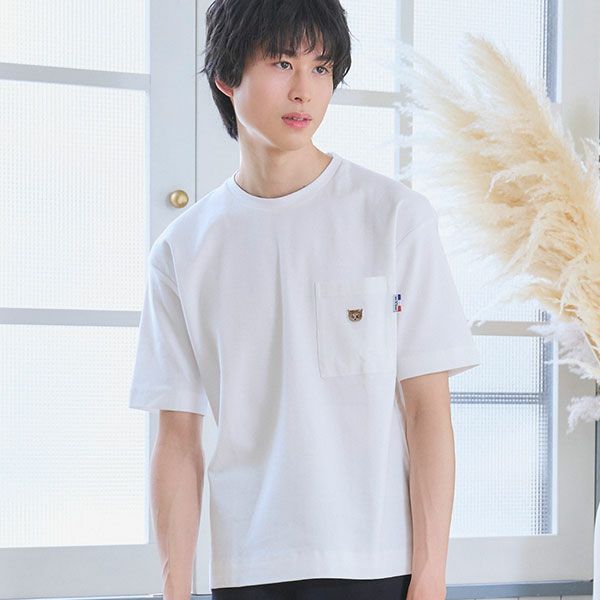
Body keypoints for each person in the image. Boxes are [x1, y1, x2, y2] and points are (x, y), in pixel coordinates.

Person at [128, 0, 481, 598]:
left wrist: (431, 575)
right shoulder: (182, 251)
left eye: (321, 68)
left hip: (379, 564)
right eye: (282, 63)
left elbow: (427, 413)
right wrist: (175, 589)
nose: (304, 90)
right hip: (249, 567)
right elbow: (178, 441)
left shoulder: (394, 218)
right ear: (227, 75)